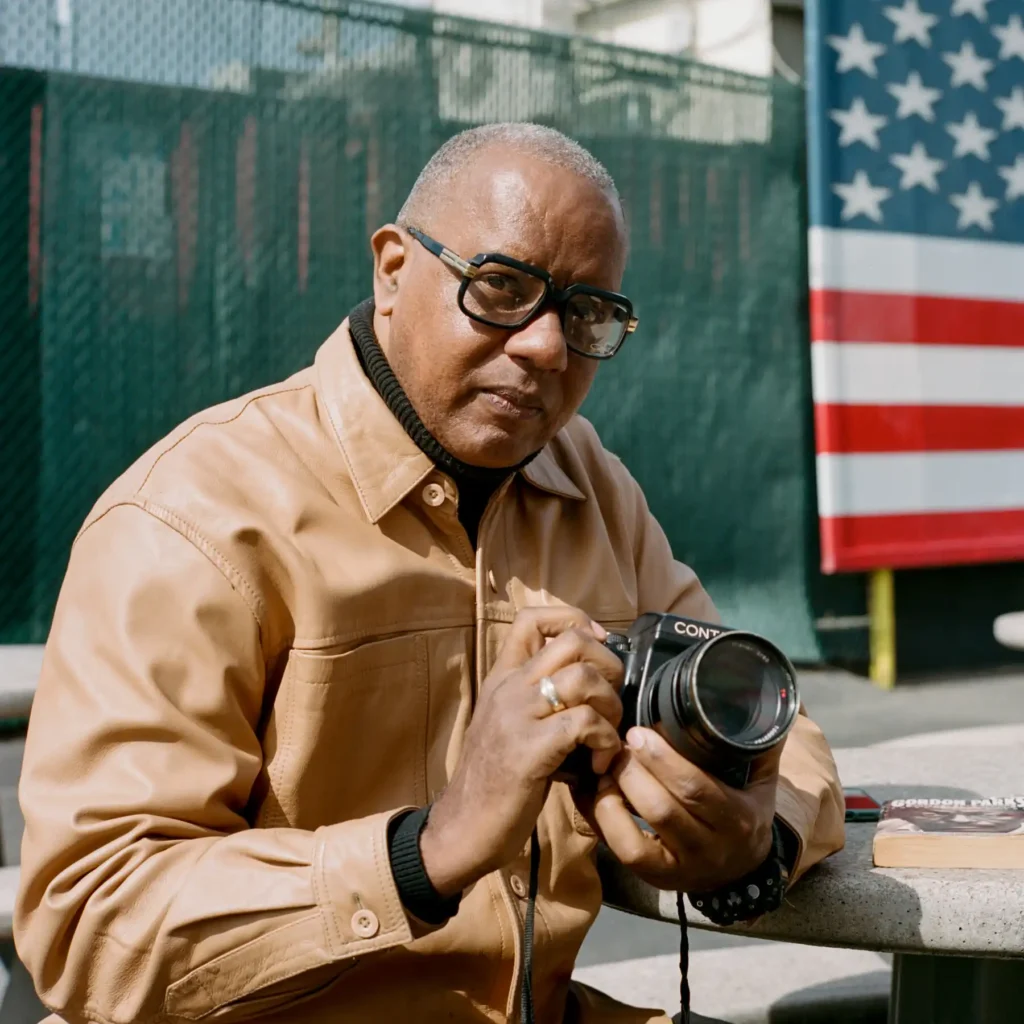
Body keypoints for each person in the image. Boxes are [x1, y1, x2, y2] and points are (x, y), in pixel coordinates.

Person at [15, 123, 844, 1024]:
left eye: (584, 313)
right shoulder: (195, 517)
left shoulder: (588, 483)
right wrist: (428, 848)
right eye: (500, 289)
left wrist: (754, 841)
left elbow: (768, 718)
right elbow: (92, 924)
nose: (546, 349)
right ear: (392, 271)